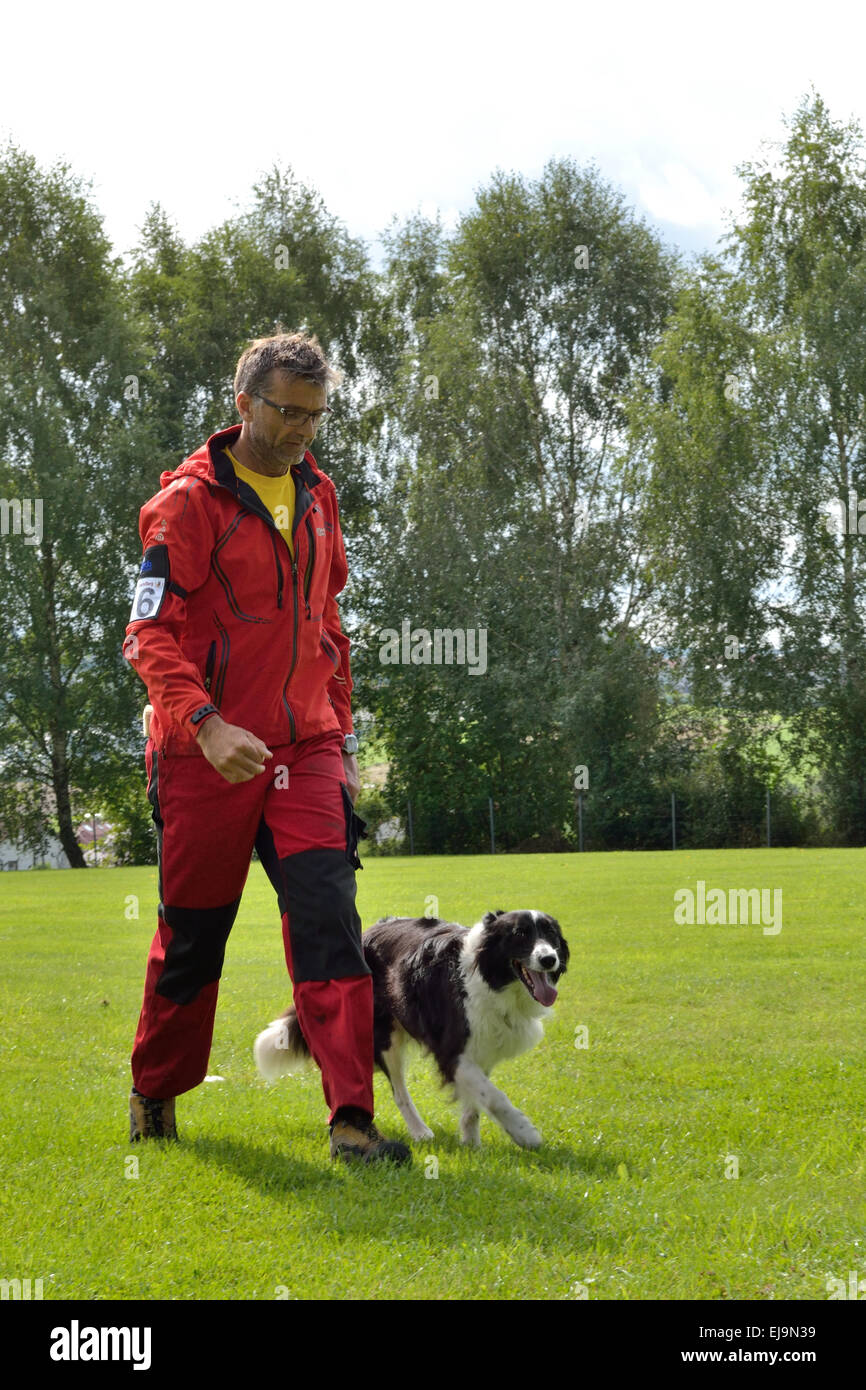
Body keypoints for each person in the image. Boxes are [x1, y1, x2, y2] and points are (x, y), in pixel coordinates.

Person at [122, 330, 410, 1165]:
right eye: (285, 412)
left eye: (314, 417)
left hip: (306, 748)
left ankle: (352, 1120)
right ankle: (155, 1091)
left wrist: (343, 734)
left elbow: (328, 627)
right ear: (242, 402)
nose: (299, 432)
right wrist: (206, 724)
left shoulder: (320, 499)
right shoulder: (184, 506)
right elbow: (148, 635)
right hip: (202, 755)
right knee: (193, 937)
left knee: (329, 920)